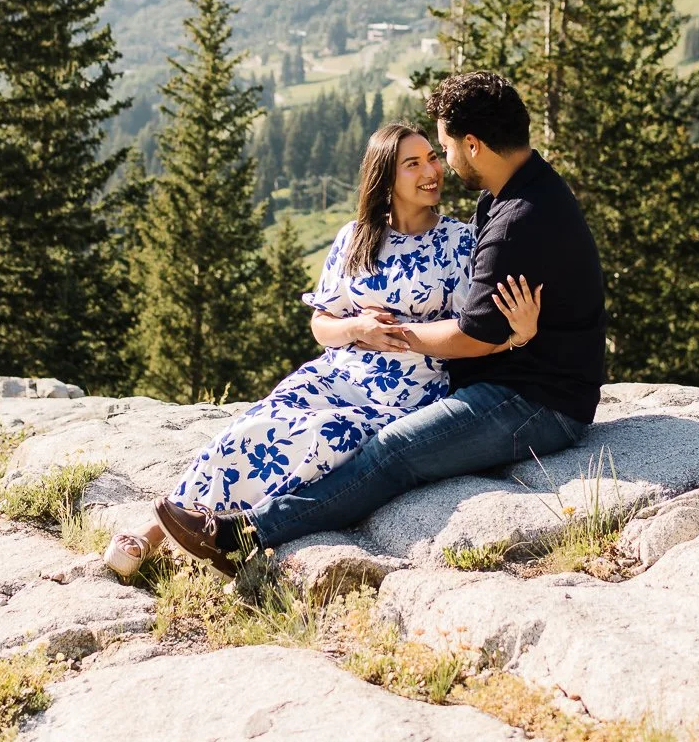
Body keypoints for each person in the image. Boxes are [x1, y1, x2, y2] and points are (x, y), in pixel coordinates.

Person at [157, 70, 606, 573]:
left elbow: (473, 336)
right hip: (509, 376)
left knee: (396, 449)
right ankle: (183, 524)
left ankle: (245, 535)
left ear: (473, 145)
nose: (443, 163)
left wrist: (393, 336)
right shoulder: (511, 196)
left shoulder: (519, 218)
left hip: (539, 401)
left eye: (443, 148)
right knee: (280, 419)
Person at [104, 120, 541, 578]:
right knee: (253, 426)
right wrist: (358, 327)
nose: (431, 170)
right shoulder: (355, 237)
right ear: (385, 177)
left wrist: (520, 336)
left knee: (321, 440)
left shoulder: (459, 242)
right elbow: (321, 324)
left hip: (409, 394)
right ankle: (156, 531)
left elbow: (476, 332)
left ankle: (227, 531)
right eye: (413, 164)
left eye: (432, 157)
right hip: (336, 374)